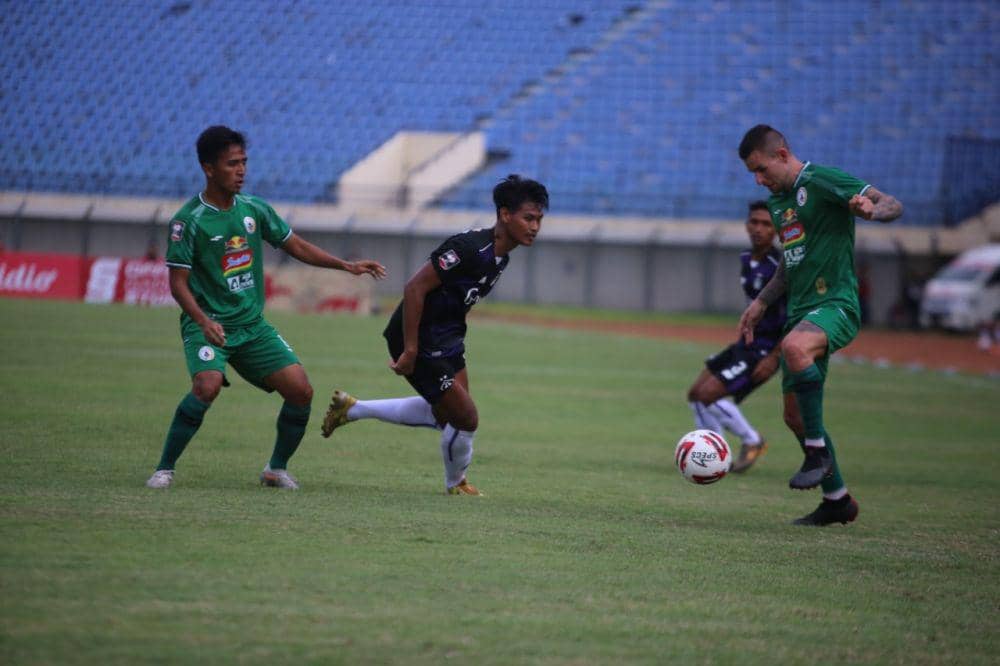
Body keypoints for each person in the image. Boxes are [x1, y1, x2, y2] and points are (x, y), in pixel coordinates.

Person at [146, 125, 386, 490]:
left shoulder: (254, 209)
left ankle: (275, 468)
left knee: (301, 391)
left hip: (252, 326)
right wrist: (202, 320)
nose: (241, 170)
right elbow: (178, 284)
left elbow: (297, 246)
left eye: (243, 162)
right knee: (206, 386)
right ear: (209, 168)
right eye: (232, 164)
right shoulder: (189, 221)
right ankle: (164, 468)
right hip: (207, 324)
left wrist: (345, 265)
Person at [319, 174, 549, 495]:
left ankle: (352, 409)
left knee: (449, 415)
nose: (535, 226)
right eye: (528, 218)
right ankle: (456, 485)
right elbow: (415, 287)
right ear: (504, 214)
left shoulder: (502, 257)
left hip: (448, 336)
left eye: (539, 219)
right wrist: (410, 349)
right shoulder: (469, 247)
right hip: (420, 337)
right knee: (466, 417)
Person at [737, 124, 903, 526]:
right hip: (801, 311)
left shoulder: (823, 179)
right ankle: (837, 500)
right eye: (752, 175)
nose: (759, 180)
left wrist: (871, 210)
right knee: (794, 416)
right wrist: (760, 303)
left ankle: (816, 451)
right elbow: (791, 265)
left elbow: (891, 203)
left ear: (781, 154)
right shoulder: (779, 204)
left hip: (837, 304)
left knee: (794, 349)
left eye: (761, 169)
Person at [687, 201, 785, 473]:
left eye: (766, 224)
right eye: (754, 222)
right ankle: (713, 454)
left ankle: (752, 440)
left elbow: (793, 316)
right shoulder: (746, 259)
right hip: (745, 344)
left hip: (765, 350)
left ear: (777, 230)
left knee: (707, 395)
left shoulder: (781, 268)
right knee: (695, 394)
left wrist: (775, 357)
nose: (758, 229)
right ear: (746, 224)